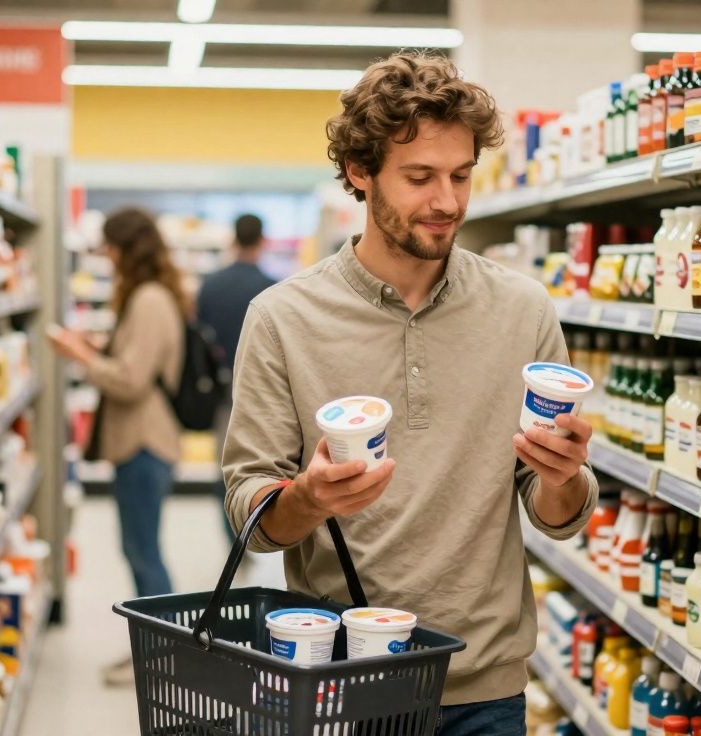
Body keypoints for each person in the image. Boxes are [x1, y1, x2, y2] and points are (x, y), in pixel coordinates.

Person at [221, 52, 597, 735]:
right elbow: (249, 504)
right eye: (420, 177)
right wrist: (304, 499)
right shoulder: (283, 316)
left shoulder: (522, 309)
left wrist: (564, 476)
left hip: (484, 685)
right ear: (360, 174)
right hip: (340, 680)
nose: (447, 201)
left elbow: (556, 515)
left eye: (460, 175)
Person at [45, 207, 186, 686]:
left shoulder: (148, 298)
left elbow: (130, 381)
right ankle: (152, 648)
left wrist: (81, 356)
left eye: (109, 245)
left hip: (146, 443)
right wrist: (99, 344)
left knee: (144, 552)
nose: (105, 254)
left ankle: (163, 655)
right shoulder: (150, 295)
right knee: (139, 549)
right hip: (140, 443)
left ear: (127, 247)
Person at [196, 214, 277, 543]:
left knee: (226, 465)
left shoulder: (211, 285)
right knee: (258, 466)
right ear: (262, 241)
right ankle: (252, 533)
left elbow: (200, 337)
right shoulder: (272, 288)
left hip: (222, 390)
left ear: (234, 239)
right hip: (261, 392)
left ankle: (231, 536)